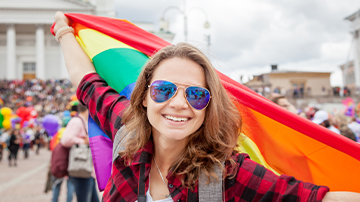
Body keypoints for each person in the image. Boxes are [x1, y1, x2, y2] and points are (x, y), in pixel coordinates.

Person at [54, 11, 360, 202]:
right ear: (145, 97)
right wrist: (66, 30)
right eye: (164, 90)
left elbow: (314, 198)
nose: (178, 103)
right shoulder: (125, 130)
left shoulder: (229, 172)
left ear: (207, 107)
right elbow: (86, 81)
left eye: (196, 95)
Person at [60, 103, 99, 202]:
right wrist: (83, 141)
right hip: (81, 169)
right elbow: (65, 140)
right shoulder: (77, 121)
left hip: (87, 170)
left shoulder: (84, 121)